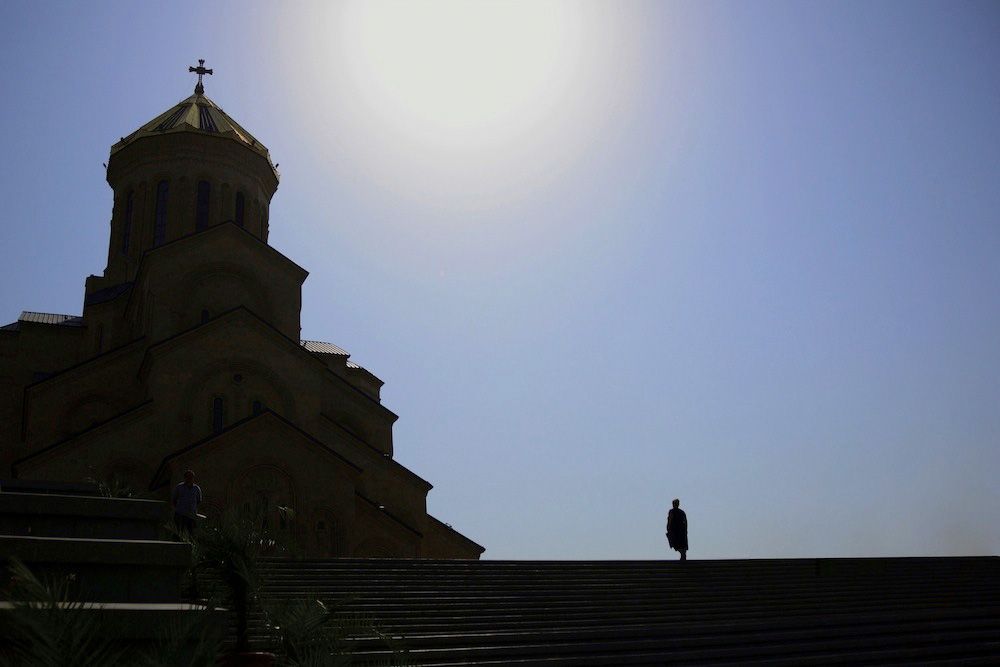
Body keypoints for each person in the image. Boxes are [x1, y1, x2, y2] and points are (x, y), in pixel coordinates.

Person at [171, 469, 202, 538]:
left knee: (191, 533)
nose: (190, 478)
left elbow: (198, 501)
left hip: (191, 515)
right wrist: (179, 508)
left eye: (191, 477)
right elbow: (174, 499)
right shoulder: (179, 487)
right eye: (188, 477)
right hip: (180, 514)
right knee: (178, 532)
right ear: (185, 477)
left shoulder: (196, 489)